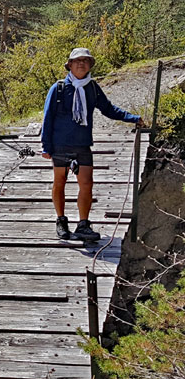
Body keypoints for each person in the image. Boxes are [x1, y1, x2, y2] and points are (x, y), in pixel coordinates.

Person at [40, 48, 144, 240]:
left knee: (86, 184)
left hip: (82, 144)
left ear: (90, 65)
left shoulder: (93, 88)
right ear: (69, 64)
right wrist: (46, 146)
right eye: (77, 60)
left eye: (85, 61)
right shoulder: (59, 88)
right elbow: (48, 117)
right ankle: (61, 221)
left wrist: (132, 118)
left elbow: (108, 109)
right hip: (60, 145)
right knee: (59, 183)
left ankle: (83, 224)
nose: (81, 64)